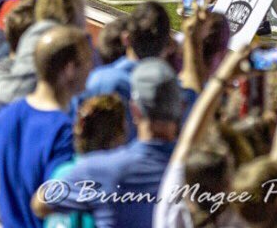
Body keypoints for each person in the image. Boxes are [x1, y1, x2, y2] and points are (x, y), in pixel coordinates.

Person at [0, 26, 93, 228]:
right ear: (70, 69)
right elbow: (52, 200)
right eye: (87, 61)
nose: (91, 68)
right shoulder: (63, 131)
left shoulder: (7, 115)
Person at [41, 59, 180, 227]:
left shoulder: (97, 171)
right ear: (181, 107)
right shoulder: (199, 168)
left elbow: (40, 203)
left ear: (134, 110)